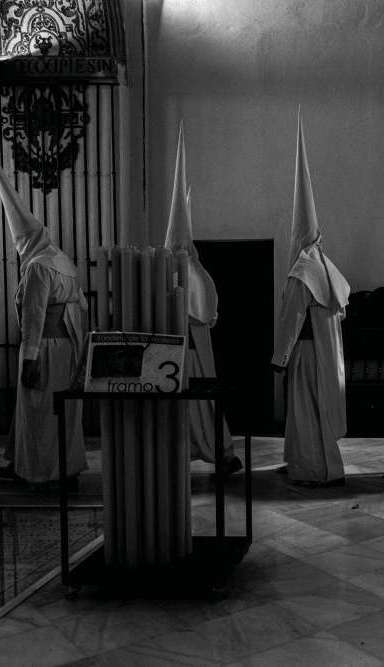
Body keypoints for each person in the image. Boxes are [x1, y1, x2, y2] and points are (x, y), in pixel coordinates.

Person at [0, 139, 88, 493]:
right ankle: (36, 465)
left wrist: (29, 358)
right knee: (60, 413)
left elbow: (34, 315)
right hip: (67, 347)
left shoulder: (38, 267)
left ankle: (42, 473)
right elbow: (81, 306)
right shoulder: (63, 260)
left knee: (40, 411)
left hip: (43, 347)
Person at [271, 112, 349, 488]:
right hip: (326, 353)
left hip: (305, 352)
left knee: (305, 411)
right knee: (314, 411)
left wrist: (279, 358)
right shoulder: (326, 266)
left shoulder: (302, 270)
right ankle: (304, 462)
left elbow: (292, 318)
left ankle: (314, 468)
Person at [164, 124, 242, 479]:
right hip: (193, 350)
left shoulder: (175, 272)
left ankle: (211, 452)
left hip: (185, 352)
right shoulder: (202, 273)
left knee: (194, 404)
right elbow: (210, 315)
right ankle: (219, 451)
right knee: (201, 406)